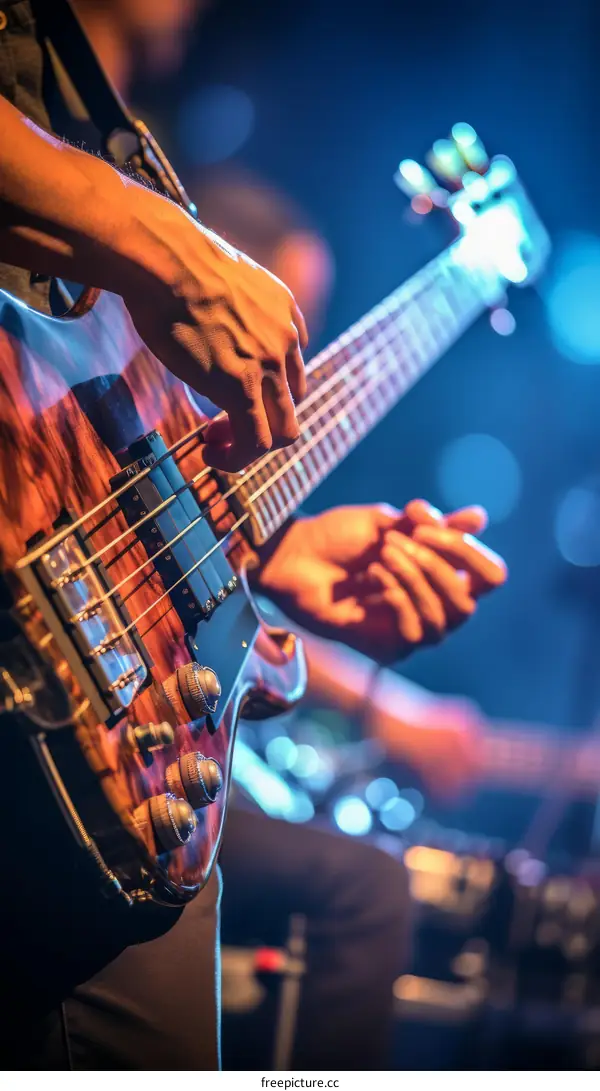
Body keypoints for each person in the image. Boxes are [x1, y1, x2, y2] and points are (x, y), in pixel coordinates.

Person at [0, 0, 506, 1070]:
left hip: (106, 761)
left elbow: (116, 441)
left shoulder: (100, 114)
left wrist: (263, 550)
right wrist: (164, 249)